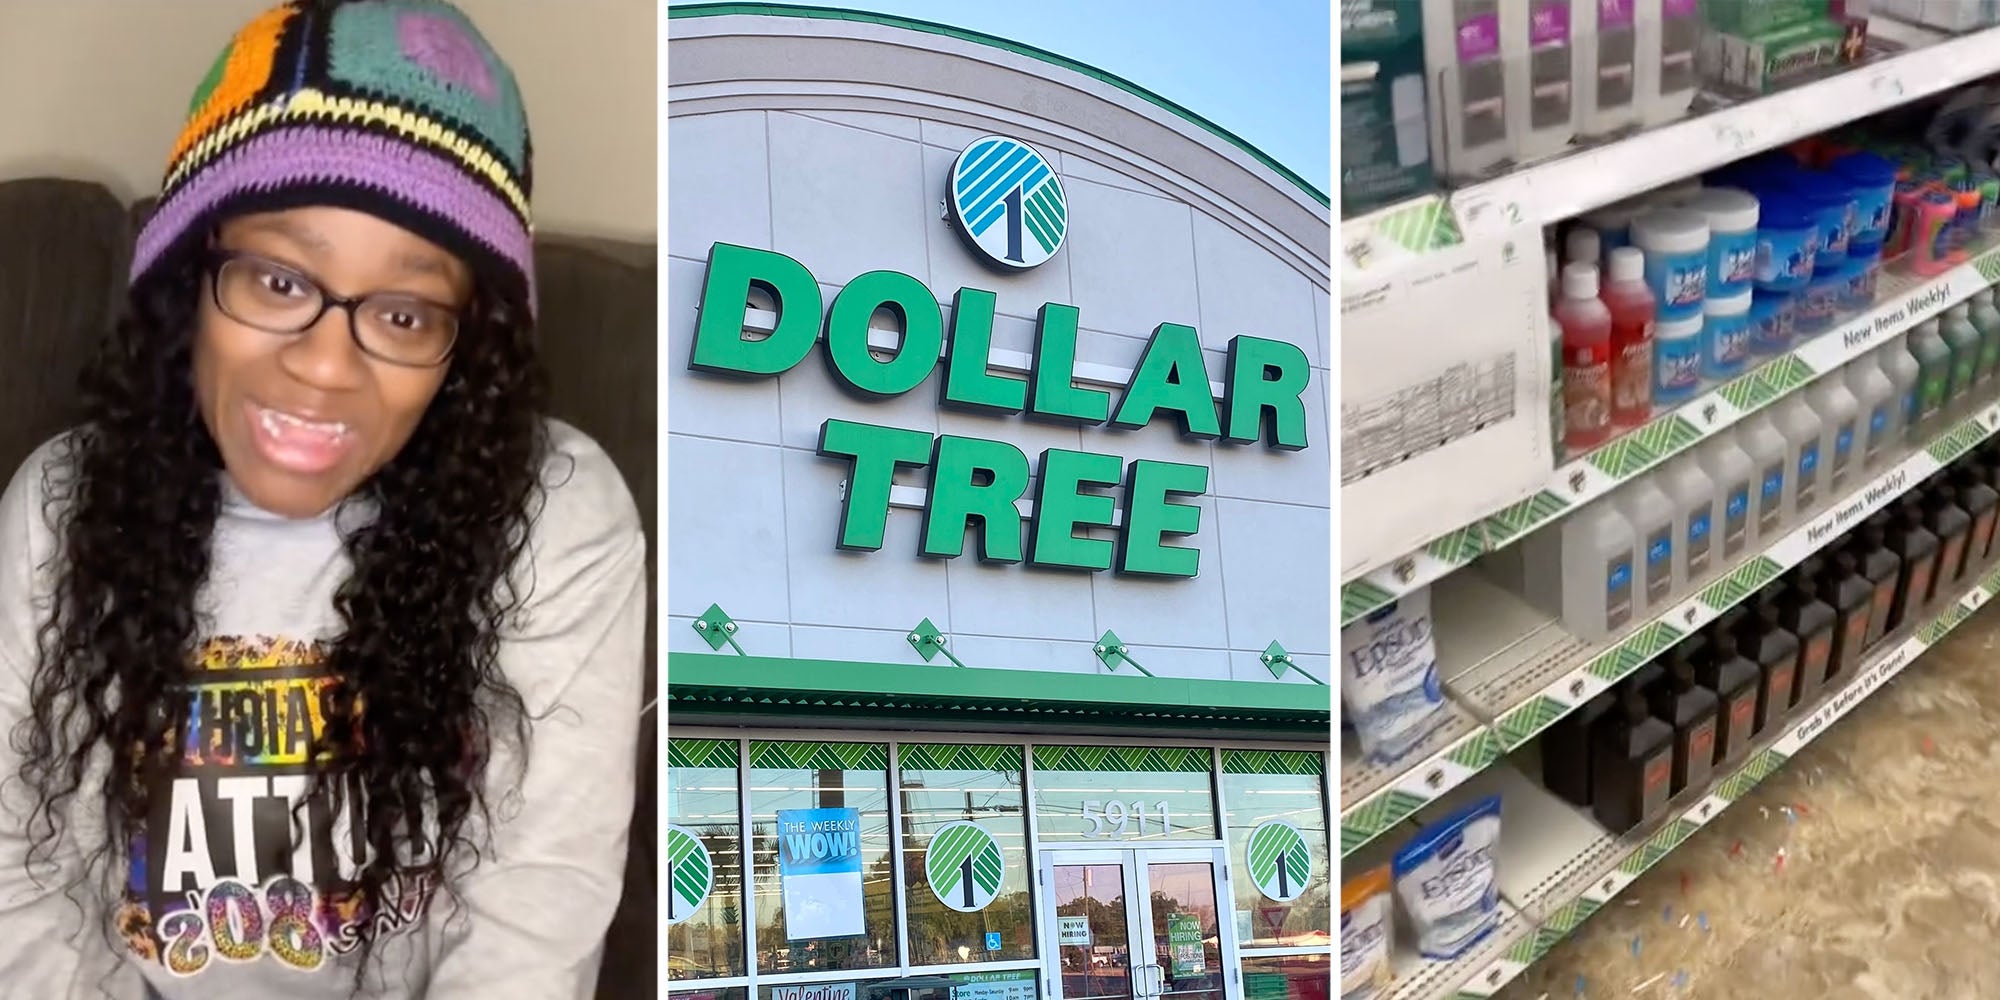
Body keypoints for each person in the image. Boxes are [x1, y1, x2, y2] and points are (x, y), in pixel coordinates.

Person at [0, 2, 648, 997]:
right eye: (276, 280)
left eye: (404, 314)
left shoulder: (557, 518)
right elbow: (12, 869)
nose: (324, 364)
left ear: (465, 348)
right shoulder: (62, 504)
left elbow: (537, 908)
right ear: (188, 277)